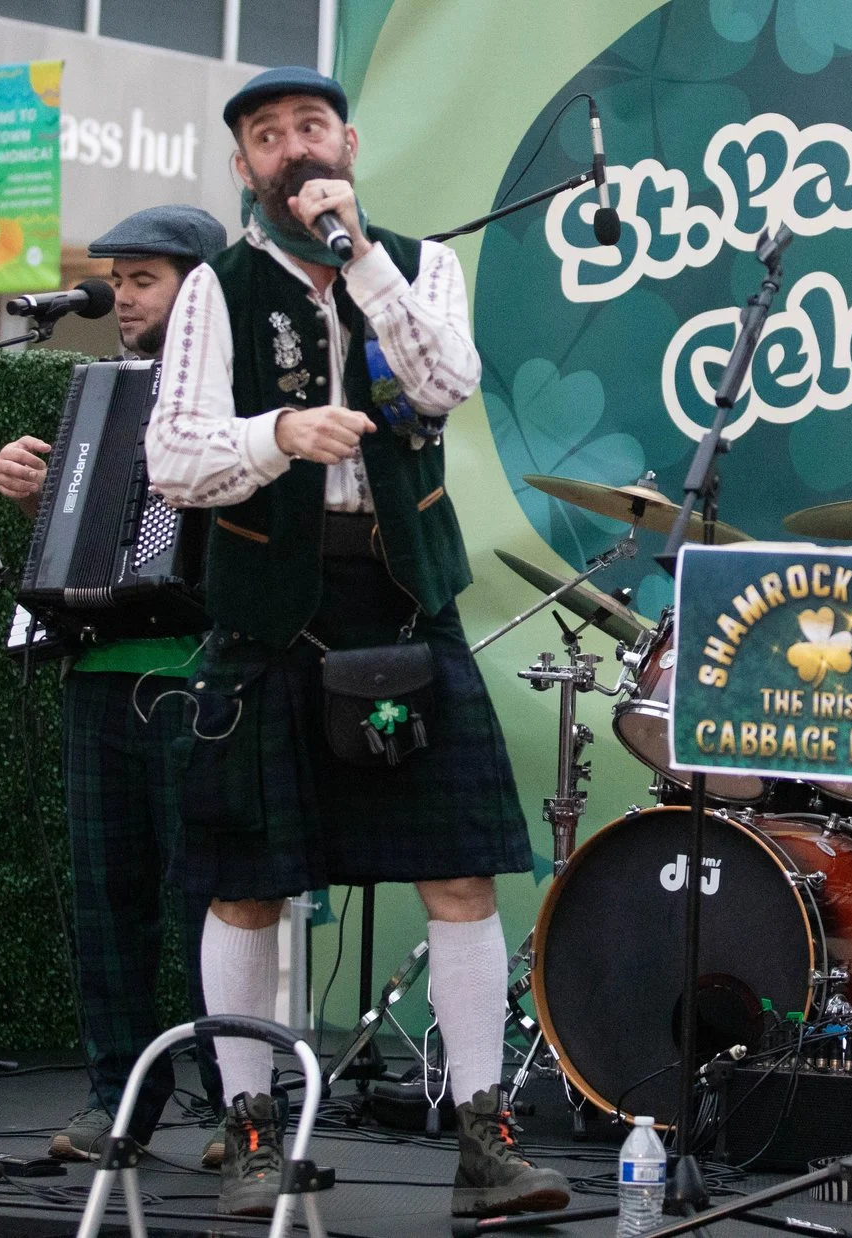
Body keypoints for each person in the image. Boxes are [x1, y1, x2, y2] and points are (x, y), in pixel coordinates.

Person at [143, 67, 564, 1220]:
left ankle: (486, 1137)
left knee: (462, 867)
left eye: (310, 128)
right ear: (243, 168)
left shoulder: (421, 264)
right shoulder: (216, 290)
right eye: (267, 137)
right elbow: (173, 460)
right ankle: (246, 1135)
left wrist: (359, 257)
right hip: (270, 608)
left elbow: (447, 384)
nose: (292, 149)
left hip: (404, 601)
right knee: (246, 887)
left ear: (349, 142)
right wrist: (280, 431)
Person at [0, 204, 234, 1168]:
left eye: (144, 280)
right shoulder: (99, 391)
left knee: (209, 903)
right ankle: (115, 1102)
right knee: (107, 899)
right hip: (96, 671)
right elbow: (84, 527)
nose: (122, 297)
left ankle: (233, 1105)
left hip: (200, 676)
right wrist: (30, 485)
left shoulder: (239, 392)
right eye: (118, 280)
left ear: (200, 286)